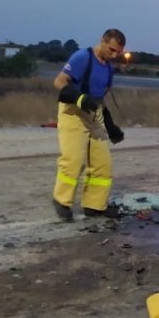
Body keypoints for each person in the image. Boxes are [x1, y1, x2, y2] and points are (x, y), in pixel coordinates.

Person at [52, 28, 127, 221]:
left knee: (103, 163)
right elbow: (59, 82)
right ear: (102, 41)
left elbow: (100, 99)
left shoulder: (109, 68)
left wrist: (111, 127)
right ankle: (62, 201)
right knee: (73, 159)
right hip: (73, 113)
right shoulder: (82, 58)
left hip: (94, 113)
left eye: (117, 52)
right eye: (111, 49)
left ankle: (94, 206)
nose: (114, 55)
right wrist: (80, 98)